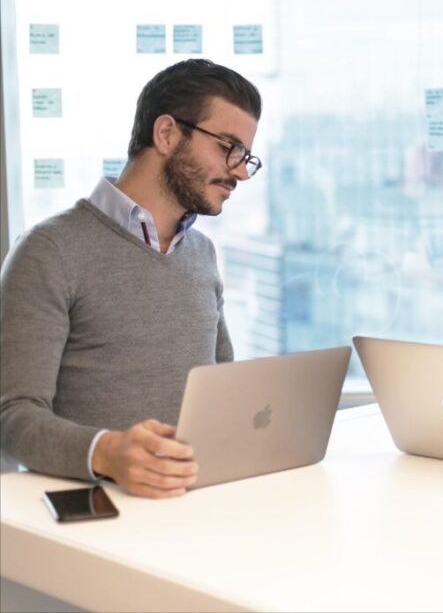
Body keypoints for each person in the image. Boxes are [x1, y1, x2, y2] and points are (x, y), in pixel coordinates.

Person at [0, 59, 263, 498]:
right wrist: (107, 453)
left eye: (246, 157)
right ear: (167, 134)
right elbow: (11, 416)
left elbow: (221, 389)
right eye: (228, 147)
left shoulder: (202, 254)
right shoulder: (49, 250)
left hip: (195, 508)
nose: (239, 171)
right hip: (101, 518)